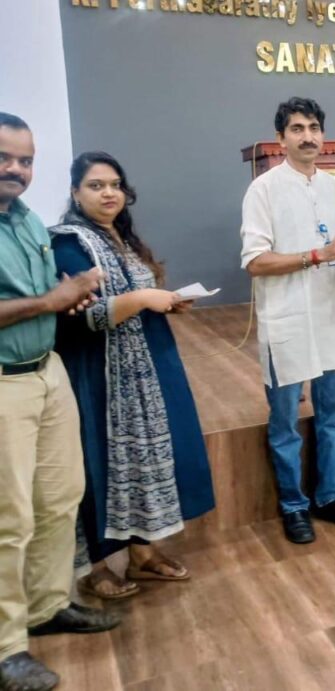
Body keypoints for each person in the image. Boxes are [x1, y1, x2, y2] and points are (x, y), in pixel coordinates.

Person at [50, 151, 216, 599]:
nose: (109, 193)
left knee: (146, 460)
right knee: (100, 462)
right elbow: (83, 317)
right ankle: (97, 567)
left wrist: (167, 301)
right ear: (75, 193)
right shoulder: (69, 243)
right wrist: (143, 299)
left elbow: (137, 296)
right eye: (96, 185)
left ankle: (143, 553)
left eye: (115, 185)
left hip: (148, 367)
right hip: (101, 376)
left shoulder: (122, 238)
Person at [0, 113, 118, 691]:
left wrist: (68, 299)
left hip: (47, 373)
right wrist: (52, 301)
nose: (16, 170)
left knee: (60, 497)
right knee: (9, 519)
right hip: (5, 385)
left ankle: (47, 606)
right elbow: (41, 299)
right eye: (4, 158)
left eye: (25, 160)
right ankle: (6, 648)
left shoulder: (24, 220)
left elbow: (46, 294)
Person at [240, 97, 335, 544]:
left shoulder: (332, 188)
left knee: (332, 415)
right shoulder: (263, 190)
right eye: (297, 129)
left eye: (314, 127)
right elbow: (255, 262)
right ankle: (293, 506)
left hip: (330, 317)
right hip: (287, 321)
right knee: (285, 424)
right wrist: (316, 255)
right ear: (281, 139)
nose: (308, 136)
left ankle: (330, 497)